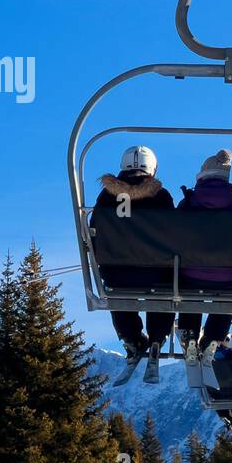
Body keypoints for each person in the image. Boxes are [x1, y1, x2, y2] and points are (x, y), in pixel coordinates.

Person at [93, 145, 175, 381]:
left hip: (115, 272)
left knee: (117, 289)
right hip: (156, 273)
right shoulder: (160, 196)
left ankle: (132, 338)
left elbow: (94, 231)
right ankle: (157, 337)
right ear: (152, 168)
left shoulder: (106, 197)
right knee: (166, 286)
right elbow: (175, 233)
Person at [175, 149, 232, 367]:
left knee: (190, 292)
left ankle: (189, 332)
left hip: (190, 273)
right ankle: (213, 338)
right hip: (228, 276)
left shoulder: (189, 202)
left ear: (202, 176)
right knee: (228, 296)